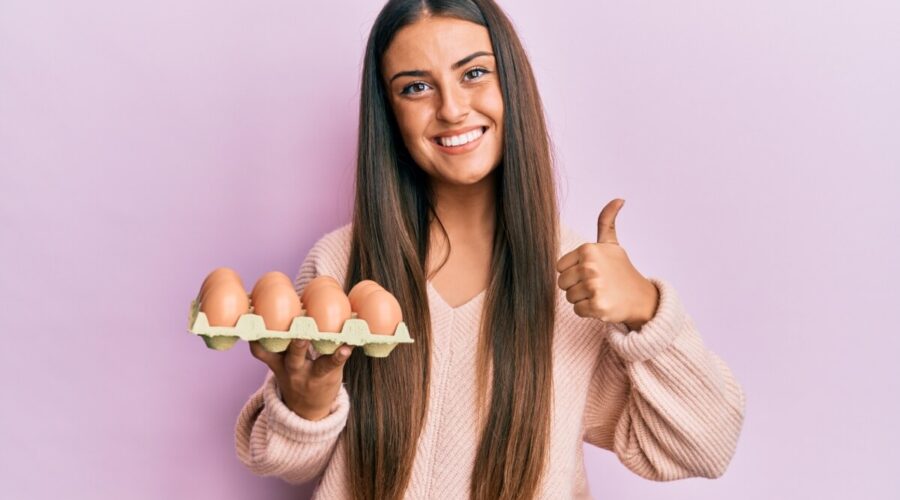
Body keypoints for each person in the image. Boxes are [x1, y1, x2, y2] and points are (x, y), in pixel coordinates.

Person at [235, 1, 746, 499]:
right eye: (416, 87)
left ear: (514, 85)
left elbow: (704, 446)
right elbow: (280, 459)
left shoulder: (577, 284)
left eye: (474, 73)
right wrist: (306, 402)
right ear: (389, 115)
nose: (452, 109)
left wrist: (646, 312)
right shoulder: (340, 263)